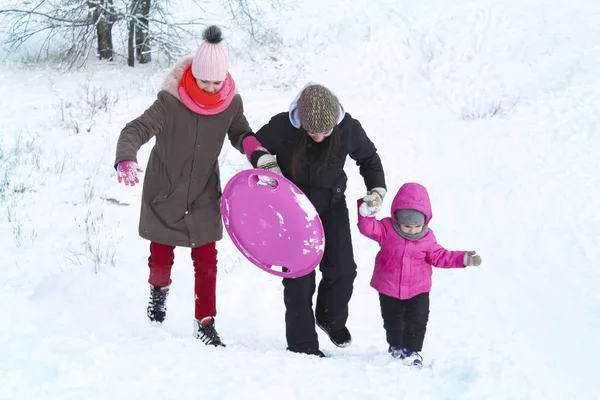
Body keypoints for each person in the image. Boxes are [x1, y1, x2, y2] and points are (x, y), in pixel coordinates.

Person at [114, 25, 257, 347]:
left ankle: (205, 322)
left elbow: (241, 133)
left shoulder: (231, 103)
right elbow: (135, 130)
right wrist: (126, 158)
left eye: (216, 82)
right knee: (161, 256)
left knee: (207, 263)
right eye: (203, 80)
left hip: (204, 193)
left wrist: (257, 153)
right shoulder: (169, 102)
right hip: (165, 191)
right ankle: (158, 291)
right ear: (193, 75)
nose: (209, 87)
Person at [242, 83, 387, 357]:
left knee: (343, 269)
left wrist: (377, 188)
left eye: (326, 131)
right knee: (299, 279)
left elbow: (369, 158)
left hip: (332, 205)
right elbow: (249, 142)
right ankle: (303, 345)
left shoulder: (349, 128)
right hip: (292, 211)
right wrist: (264, 161)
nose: (320, 137)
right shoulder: (283, 125)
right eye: (312, 132)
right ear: (301, 123)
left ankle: (330, 318)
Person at [356, 182, 482, 368]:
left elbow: (441, 256)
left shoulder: (427, 238)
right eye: (407, 226)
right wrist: (366, 211)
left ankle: (411, 350)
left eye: (417, 226)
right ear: (397, 218)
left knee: (418, 320)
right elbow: (368, 228)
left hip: (418, 288)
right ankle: (395, 345)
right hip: (388, 286)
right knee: (392, 319)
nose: (412, 230)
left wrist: (464, 259)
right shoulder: (387, 230)